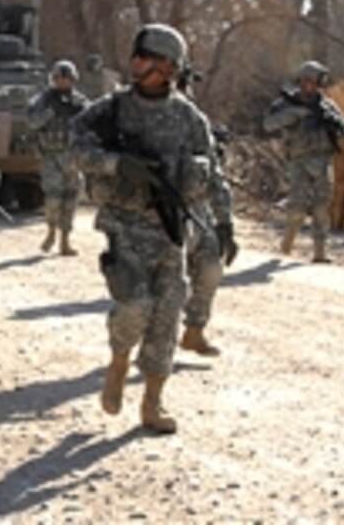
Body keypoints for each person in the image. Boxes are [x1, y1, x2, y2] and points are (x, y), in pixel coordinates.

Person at [72, 24, 218, 433]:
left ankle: (153, 403)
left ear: (169, 66)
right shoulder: (111, 110)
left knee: (167, 317)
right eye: (135, 56)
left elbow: (212, 170)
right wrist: (118, 165)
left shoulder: (189, 117)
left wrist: (220, 224)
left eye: (145, 57)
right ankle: (119, 361)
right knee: (135, 306)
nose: (135, 63)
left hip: (171, 233)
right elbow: (75, 146)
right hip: (125, 227)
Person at [262, 61, 344, 262]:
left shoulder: (326, 105)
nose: (313, 87)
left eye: (317, 83)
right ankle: (288, 239)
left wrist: (337, 126)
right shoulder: (287, 103)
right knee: (297, 207)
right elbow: (268, 124)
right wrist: (296, 115)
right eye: (310, 82)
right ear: (302, 81)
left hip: (323, 160)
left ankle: (319, 252)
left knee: (322, 207)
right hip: (299, 161)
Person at [175, 67, 237, 357]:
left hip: (198, 210)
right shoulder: (141, 118)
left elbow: (214, 172)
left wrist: (226, 222)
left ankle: (194, 331)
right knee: (168, 283)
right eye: (182, 82)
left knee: (210, 269)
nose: (186, 89)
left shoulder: (195, 121)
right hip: (163, 212)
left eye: (187, 84)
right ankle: (148, 347)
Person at [27, 60, 90, 255]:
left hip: (72, 156)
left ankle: (65, 240)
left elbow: (91, 124)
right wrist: (51, 112)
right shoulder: (43, 101)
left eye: (67, 79)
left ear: (73, 80)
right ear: (53, 80)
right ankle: (51, 232)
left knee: (71, 199)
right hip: (51, 156)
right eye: (59, 79)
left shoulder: (80, 102)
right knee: (53, 197)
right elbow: (31, 122)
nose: (63, 83)